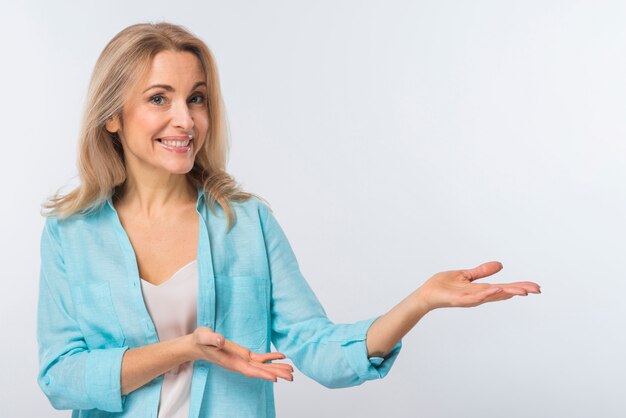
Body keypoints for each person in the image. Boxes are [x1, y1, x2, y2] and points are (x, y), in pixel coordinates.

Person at [36, 22, 541, 418]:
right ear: (112, 116)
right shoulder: (70, 233)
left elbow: (320, 350)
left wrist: (420, 302)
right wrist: (183, 350)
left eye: (196, 98)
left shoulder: (248, 224)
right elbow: (61, 377)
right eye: (158, 98)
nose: (185, 120)